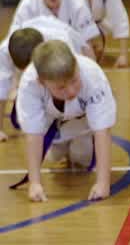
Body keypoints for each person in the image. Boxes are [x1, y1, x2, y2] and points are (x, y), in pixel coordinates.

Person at [14, 41, 115, 204]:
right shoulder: (29, 84)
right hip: (52, 121)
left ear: (76, 65)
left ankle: (80, 142)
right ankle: (61, 145)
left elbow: (103, 130)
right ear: (42, 82)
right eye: (61, 87)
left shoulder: (92, 74)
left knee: (82, 156)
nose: (71, 91)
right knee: (53, 157)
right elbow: (33, 135)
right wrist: (34, 183)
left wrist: (103, 183)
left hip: (83, 121)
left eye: (74, 80)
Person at [64, 0, 129, 66]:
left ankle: (95, 43)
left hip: (100, 25)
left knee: (95, 50)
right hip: (73, 27)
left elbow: (119, 16)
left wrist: (123, 55)